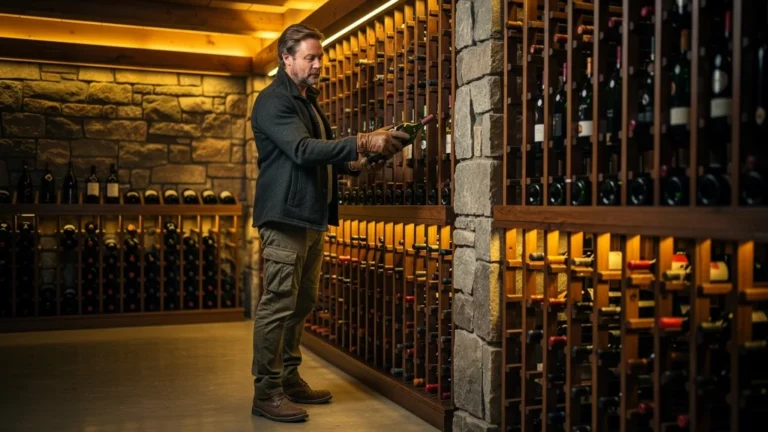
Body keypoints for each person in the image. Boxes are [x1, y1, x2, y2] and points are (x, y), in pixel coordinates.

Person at [249, 23, 409, 423]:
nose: (319, 64)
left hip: (310, 216)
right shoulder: (273, 101)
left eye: (321, 57)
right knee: (277, 304)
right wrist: (362, 140)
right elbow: (302, 151)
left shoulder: (309, 102)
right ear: (287, 59)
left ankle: (288, 377)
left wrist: (373, 153)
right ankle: (266, 391)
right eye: (311, 57)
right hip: (284, 216)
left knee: (301, 303)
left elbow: (333, 158)